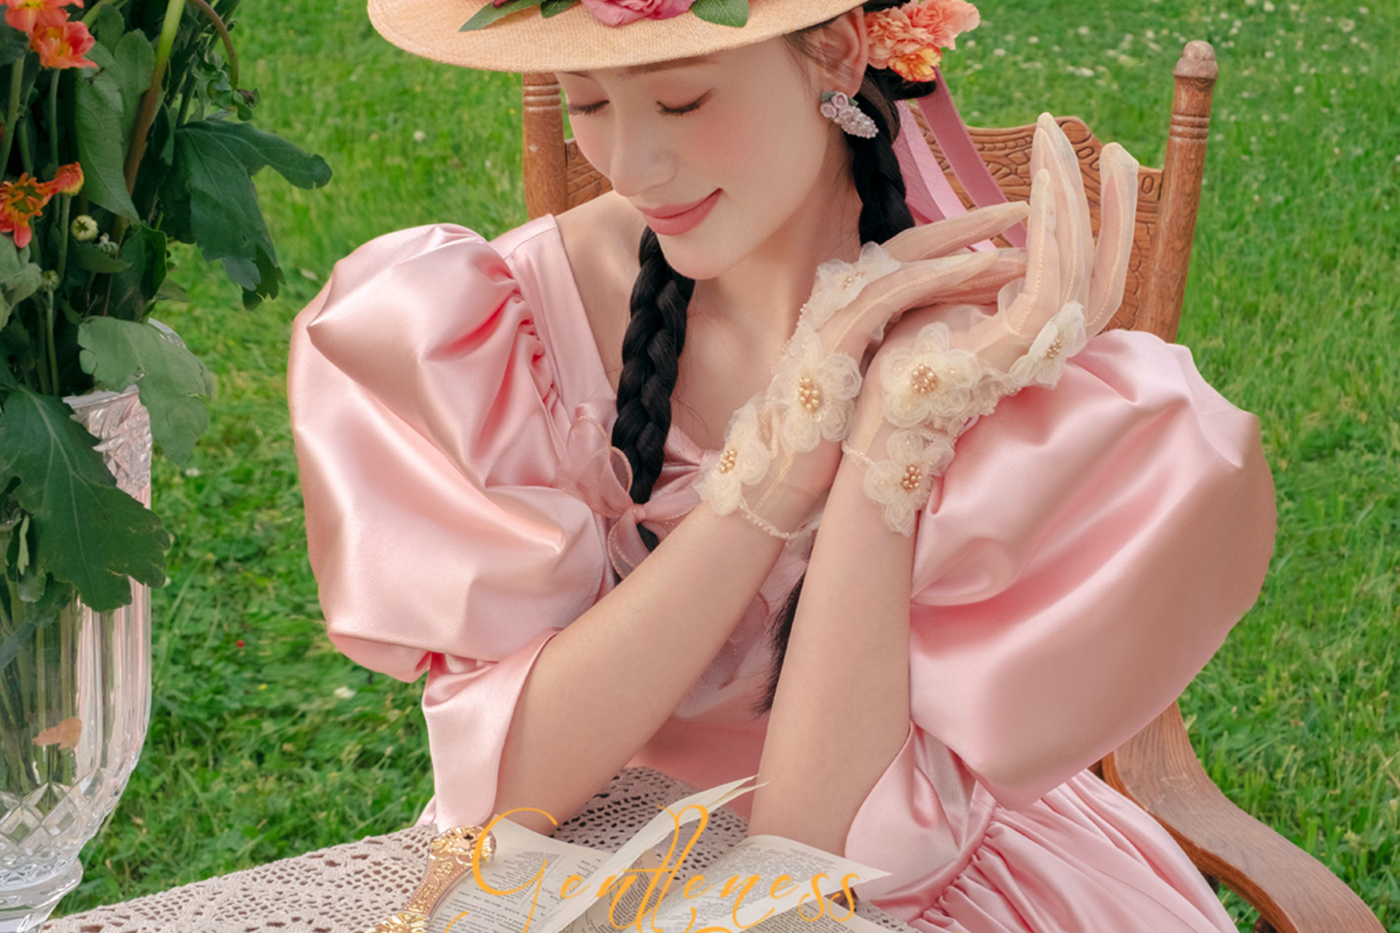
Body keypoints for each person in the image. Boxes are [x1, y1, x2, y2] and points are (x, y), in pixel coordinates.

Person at [287, 1, 1277, 930]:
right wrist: (775, 473)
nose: (632, 166)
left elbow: (820, 870)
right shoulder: (508, 321)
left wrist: (889, 441)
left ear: (838, 53)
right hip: (568, 865)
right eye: (587, 103)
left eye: (683, 101)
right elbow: (506, 794)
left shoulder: (977, 355)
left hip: (886, 879)